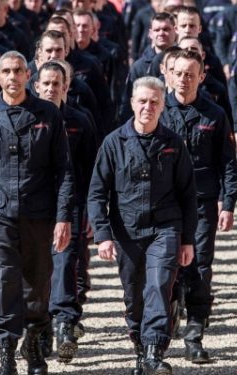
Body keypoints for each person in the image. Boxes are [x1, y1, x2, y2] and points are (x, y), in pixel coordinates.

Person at [0, 50, 74, 375]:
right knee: (4, 280)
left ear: (29, 76)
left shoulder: (48, 115)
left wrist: (64, 216)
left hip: (38, 213)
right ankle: (7, 350)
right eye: (6, 71)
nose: (12, 77)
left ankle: (35, 344)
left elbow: (64, 170)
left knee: (37, 283)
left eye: (18, 71)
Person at [88, 76, 198, 375]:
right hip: (127, 231)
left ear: (163, 106)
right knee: (133, 295)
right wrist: (103, 235)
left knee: (159, 286)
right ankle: (140, 347)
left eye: (154, 102)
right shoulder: (113, 143)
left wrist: (187, 239)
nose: (147, 106)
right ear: (132, 103)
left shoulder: (174, 144)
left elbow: (188, 195)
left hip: (165, 228)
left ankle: (153, 350)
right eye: (142, 101)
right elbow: (97, 192)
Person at [159, 50, 237, 364]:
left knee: (200, 267)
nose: (184, 79)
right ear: (168, 74)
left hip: (202, 202)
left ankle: (194, 333)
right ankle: (161, 330)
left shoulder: (214, 114)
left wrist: (229, 202)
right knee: (165, 267)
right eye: (178, 73)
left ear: (201, 77)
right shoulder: (157, 109)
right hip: (163, 203)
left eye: (191, 74)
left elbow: (228, 164)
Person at [34, 60, 99, 364]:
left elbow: (91, 173)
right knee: (36, 270)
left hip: (70, 206)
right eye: (45, 84)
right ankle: (41, 326)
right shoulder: (24, 118)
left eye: (56, 84)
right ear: (35, 87)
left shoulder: (80, 121)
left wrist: (91, 211)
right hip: (31, 208)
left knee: (64, 264)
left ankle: (64, 325)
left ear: (66, 87)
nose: (50, 89)